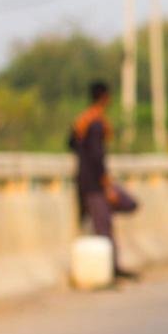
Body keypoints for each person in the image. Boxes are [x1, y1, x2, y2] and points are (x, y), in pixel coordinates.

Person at [69, 80, 138, 278]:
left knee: (105, 221)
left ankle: (112, 267)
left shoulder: (83, 120)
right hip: (94, 184)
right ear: (105, 97)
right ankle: (111, 269)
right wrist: (106, 185)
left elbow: (71, 143)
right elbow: (97, 157)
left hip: (85, 180)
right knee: (103, 226)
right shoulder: (96, 122)